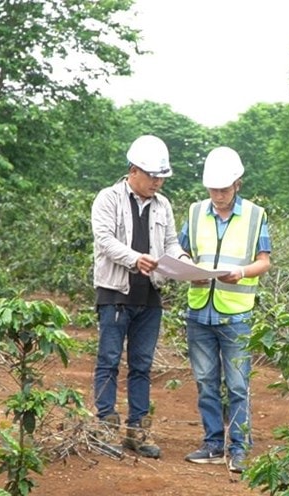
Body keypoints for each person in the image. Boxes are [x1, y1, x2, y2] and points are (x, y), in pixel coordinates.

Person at [90, 134, 187, 459]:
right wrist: (135, 258)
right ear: (134, 170)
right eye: (152, 176)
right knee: (108, 361)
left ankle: (137, 431)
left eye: (161, 177)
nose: (157, 182)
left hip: (149, 297)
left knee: (142, 366)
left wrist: (186, 263)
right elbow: (104, 239)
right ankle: (105, 427)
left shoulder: (164, 205)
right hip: (115, 293)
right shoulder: (108, 198)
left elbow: (171, 244)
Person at [179, 146, 272, 473]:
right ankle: (213, 444)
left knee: (237, 384)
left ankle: (240, 449)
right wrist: (188, 268)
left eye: (224, 189)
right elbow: (181, 251)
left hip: (235, 314)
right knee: (205, 381)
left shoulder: (255, 215)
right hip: (199, 310)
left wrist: (242, 272)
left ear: (237, 184)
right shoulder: (194, 212)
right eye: (212, 189)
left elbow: (264, 261)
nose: (217, 195)